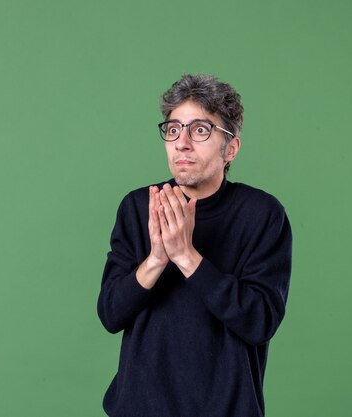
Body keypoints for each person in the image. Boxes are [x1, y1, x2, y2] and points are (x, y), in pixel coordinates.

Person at [97, 74, 292, 417]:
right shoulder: (139, 207)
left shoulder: (262, 215)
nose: (182, 143)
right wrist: (157, 258)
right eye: (173, 129)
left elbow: (259, 322)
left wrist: (187, 257)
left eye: (200, 130)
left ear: (230, 148)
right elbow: (111, 314)